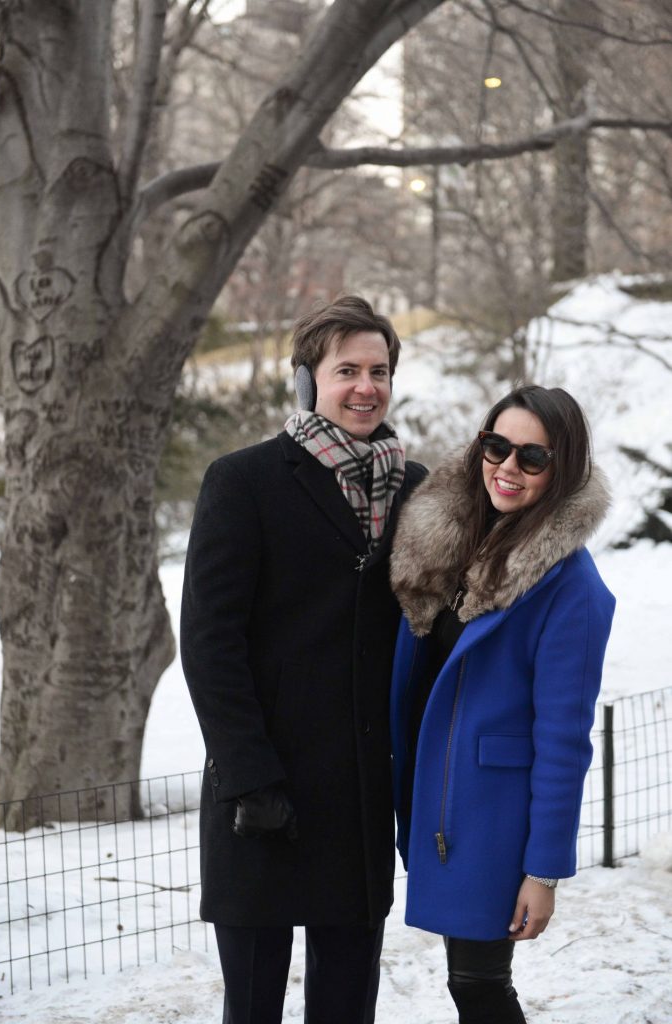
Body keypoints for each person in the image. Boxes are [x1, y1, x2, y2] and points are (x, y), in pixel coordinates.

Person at [180, 295, 426, 1024]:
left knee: (347, 1006)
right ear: (306, 379)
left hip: (357, 800)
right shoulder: (243, 481)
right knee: (252, 1004)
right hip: (263, 793)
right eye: (345, 368)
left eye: (378, 370)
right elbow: (209, 641)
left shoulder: (415, 491)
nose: (365, 386)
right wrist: (249, 777)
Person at [389, 384, 616, 1024]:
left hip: (493, 817)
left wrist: (543, 872)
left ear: (562, 469)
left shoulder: (572, 587)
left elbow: (564, 742)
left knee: (480, 985)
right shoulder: (449, 541)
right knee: (471, 982)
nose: (507, 469)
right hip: (431, 799)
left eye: (532, 459)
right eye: (496, 447)